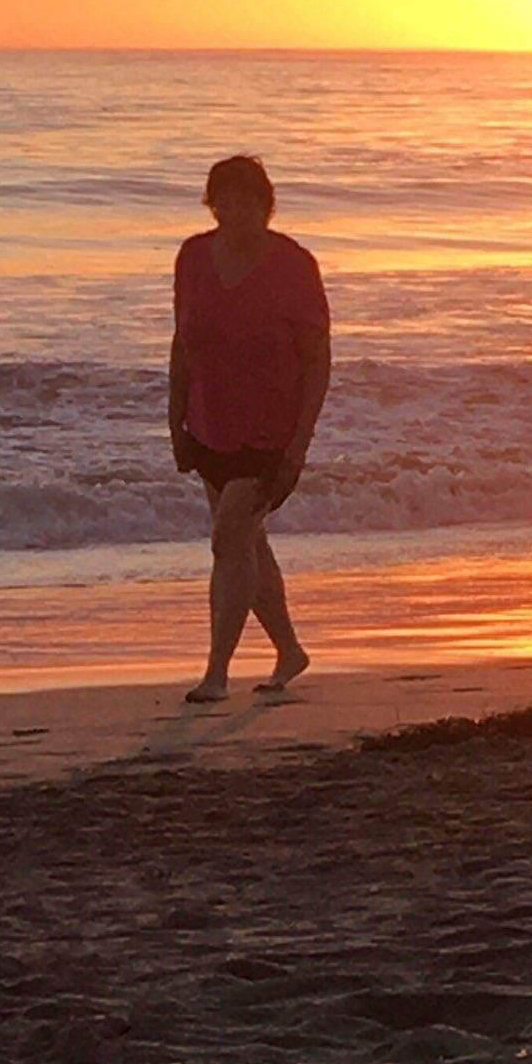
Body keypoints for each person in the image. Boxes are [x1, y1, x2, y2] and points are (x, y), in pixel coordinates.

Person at [168, 154, 331, 703]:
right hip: (210, 423)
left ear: (266, 205)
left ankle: (216, 672)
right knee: (246, 544)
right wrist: (175, 418)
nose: (234, 211)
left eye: (246, 201)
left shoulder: (293, 266)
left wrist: (299, 446)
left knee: (227, 538)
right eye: (224, 201)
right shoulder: (192, 257)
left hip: (271, 432)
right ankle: (289, 650)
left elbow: (317, 360)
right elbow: (181, 343)